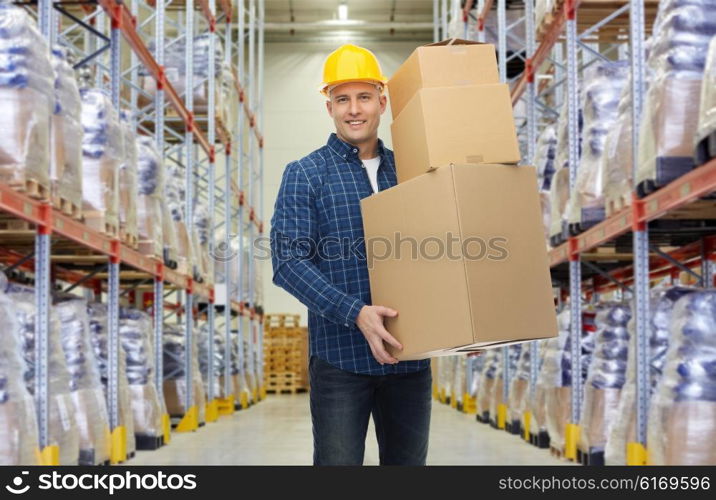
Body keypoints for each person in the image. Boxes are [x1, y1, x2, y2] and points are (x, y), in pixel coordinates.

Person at [270, 44, 432, 466]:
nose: (353, 109)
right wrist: (355, 311)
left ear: (382, 101)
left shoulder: (412, 171)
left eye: (363, 97)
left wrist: (461, 328)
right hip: (341, 361)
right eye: (342, 99)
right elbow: (288, 262)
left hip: (409, 361)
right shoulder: (305, 174)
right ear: (330, 107)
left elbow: (441, 260)